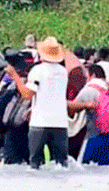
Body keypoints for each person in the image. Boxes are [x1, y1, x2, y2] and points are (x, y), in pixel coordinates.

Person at [8, 36, 69, 168]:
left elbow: (27, 95)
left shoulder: (38, 70)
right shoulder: (63, 72)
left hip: (40, 122)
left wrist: (15, 76)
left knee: (36, 164)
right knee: (61, 165)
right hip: (61, 123)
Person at [68, 64, 109, 165]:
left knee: (89, 171)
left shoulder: (89, 90)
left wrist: (72, 104)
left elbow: (72, 109)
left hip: (96, 137)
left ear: (92, 75)